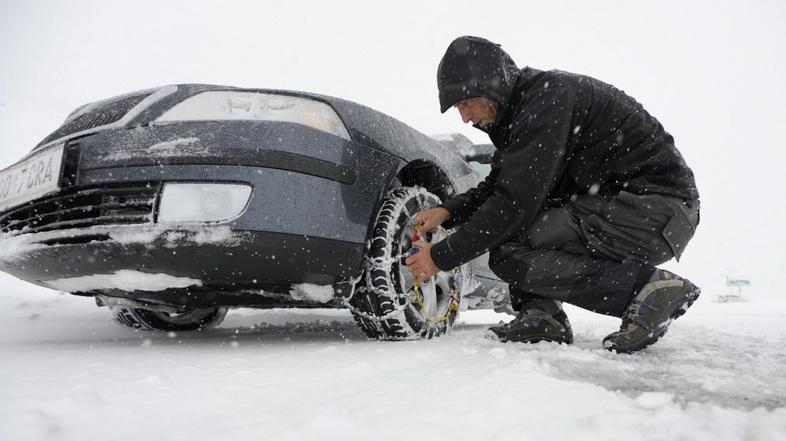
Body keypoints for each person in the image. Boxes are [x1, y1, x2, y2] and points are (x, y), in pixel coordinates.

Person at [405, 36, 701, 353]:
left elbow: (512, 204)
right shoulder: (523, 112)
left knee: (510, 242)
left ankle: (647, 290)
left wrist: (438, 257)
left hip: (656, 209)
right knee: (514, 237)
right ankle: (542, 315)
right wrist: (448, 211)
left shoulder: (546, 102)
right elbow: (498, 185)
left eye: (465, 103)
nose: (464, 117)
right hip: (635, 209)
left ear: (491, 86)